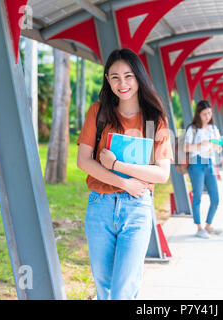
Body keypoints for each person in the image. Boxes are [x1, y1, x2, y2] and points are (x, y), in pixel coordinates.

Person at [76, 48, 173, 300]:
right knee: (104, 288)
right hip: (100, 206)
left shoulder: (154, 119)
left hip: (137, 208)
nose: (122, 83)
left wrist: (116, 165)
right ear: (107, 80)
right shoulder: (98, 112)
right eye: (115, 77)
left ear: (139, 77)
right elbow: (84, 161)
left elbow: (162, 173)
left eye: (128, 76)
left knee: (123, 290)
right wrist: (124, 183)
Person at [184, 100, 223, 239]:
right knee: (198, 196)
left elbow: (220, 147)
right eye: (205, 114)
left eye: (209, 113)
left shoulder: (214, 129)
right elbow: (186, 148)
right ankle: (199, 228)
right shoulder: (193, 129)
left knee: (215, 198)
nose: (208, 116)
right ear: (198, 114)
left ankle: (208, 226)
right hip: (196, 163)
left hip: (209, 163)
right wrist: (201, 144)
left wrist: (216, 147)